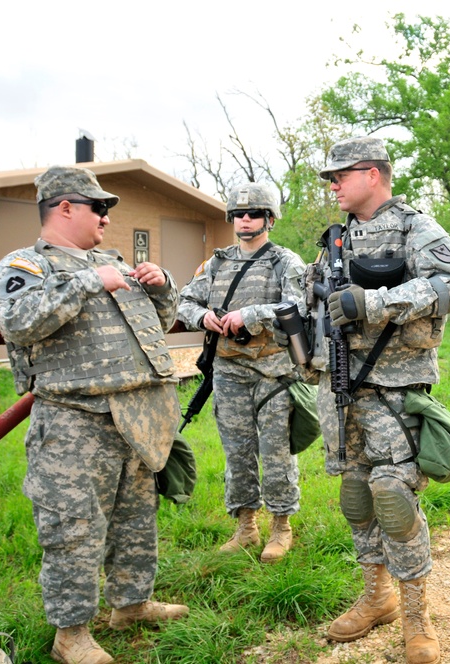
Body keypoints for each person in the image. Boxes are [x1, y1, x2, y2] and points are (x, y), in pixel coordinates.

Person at [0, 165, 189, 664]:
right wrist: (85, 282)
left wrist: (162, 286)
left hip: (136, 412)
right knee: (73, 527)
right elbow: (17, 319)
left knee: (136, 518)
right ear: (65, 208)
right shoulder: (27, 265)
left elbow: (159, 323)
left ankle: (131, 604)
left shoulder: (112, 261)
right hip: (75, 420)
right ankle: (71, 634)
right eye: (99, 207)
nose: (106, 217)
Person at [309, 136, 450, 664]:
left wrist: (374, 302)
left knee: (393, 500)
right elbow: (316, 302)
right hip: (342, 388)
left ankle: (418, 614)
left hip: (397, 391)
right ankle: (377, 596)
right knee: (356, 496)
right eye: (330, 178)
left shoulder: (414, 226)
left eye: (340, 175)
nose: (333, 185)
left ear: (373, 174)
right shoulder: (333, 239)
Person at [177, 182, 310, 564]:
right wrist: (202, 315)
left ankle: (281, 527)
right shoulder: (217, 263)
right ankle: (246, 526)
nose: (245, 220)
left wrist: (249, 315)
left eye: (253, 214)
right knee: (237, 452)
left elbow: (298, 305)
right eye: (238, 214)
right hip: (229, 371)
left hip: (273, 373)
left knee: (276, 452)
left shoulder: (285, 261)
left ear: (269, 218)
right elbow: (184, 301)